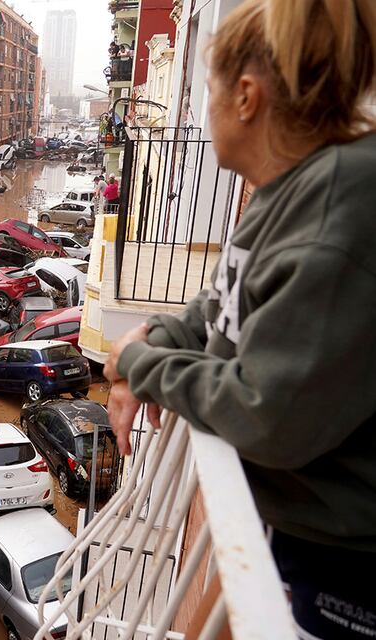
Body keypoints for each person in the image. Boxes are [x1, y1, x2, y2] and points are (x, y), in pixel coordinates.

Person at [102, 1, 376, 637]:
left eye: (211, 91)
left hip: (343, 573)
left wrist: (140, 362)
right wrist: (155, 341)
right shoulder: (293, 190)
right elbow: (219, 303)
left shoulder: (340, 206)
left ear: (247, 97)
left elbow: (266, 415)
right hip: (299, 531)